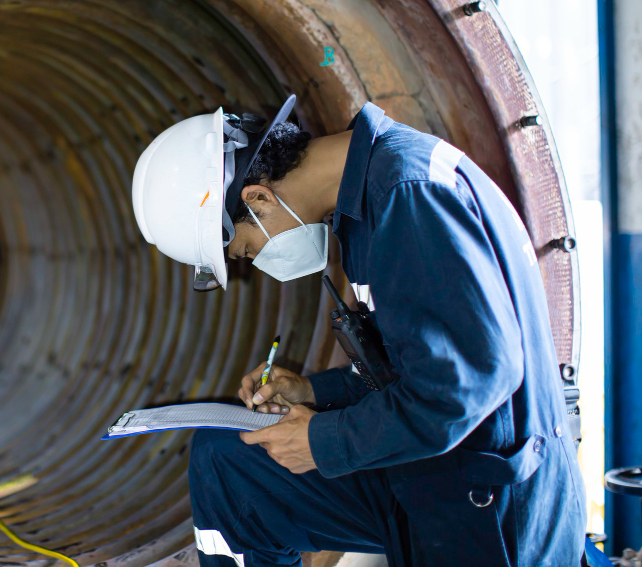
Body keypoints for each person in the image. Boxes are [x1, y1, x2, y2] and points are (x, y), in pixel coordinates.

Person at [131, 96, 587, 565]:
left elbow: (467, 383)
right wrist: (314, 392)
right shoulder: (370, 198)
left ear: (258, 198)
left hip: (489, 504)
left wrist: (322, 442)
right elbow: (415, 365)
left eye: (247, 251)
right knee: (227, 460)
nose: (259, 262)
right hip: (435, 464)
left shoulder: (406, 195)